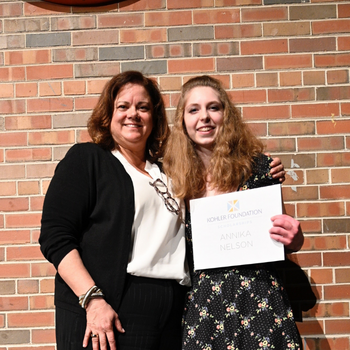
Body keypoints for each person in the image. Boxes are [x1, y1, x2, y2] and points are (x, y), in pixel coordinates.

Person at [39, 71, 286, 350]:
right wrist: (92, 299)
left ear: (154, 118)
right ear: (108, 115)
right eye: (123, 106)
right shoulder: (89, 159)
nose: (133, 114)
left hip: (172, 311)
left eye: (143, 107)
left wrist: (260, 168)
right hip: (113, 306)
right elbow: (55, 236)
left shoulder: (170, 172)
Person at [163, 75, 304, 350]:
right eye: (194, 110)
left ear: (226, 115)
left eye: (213, 108)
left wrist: (294, 238)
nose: (204, 117)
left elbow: (284, 242)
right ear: (183, 120)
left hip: (260, 299)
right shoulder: (172, 179)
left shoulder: (260, 169)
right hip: (204, 310)